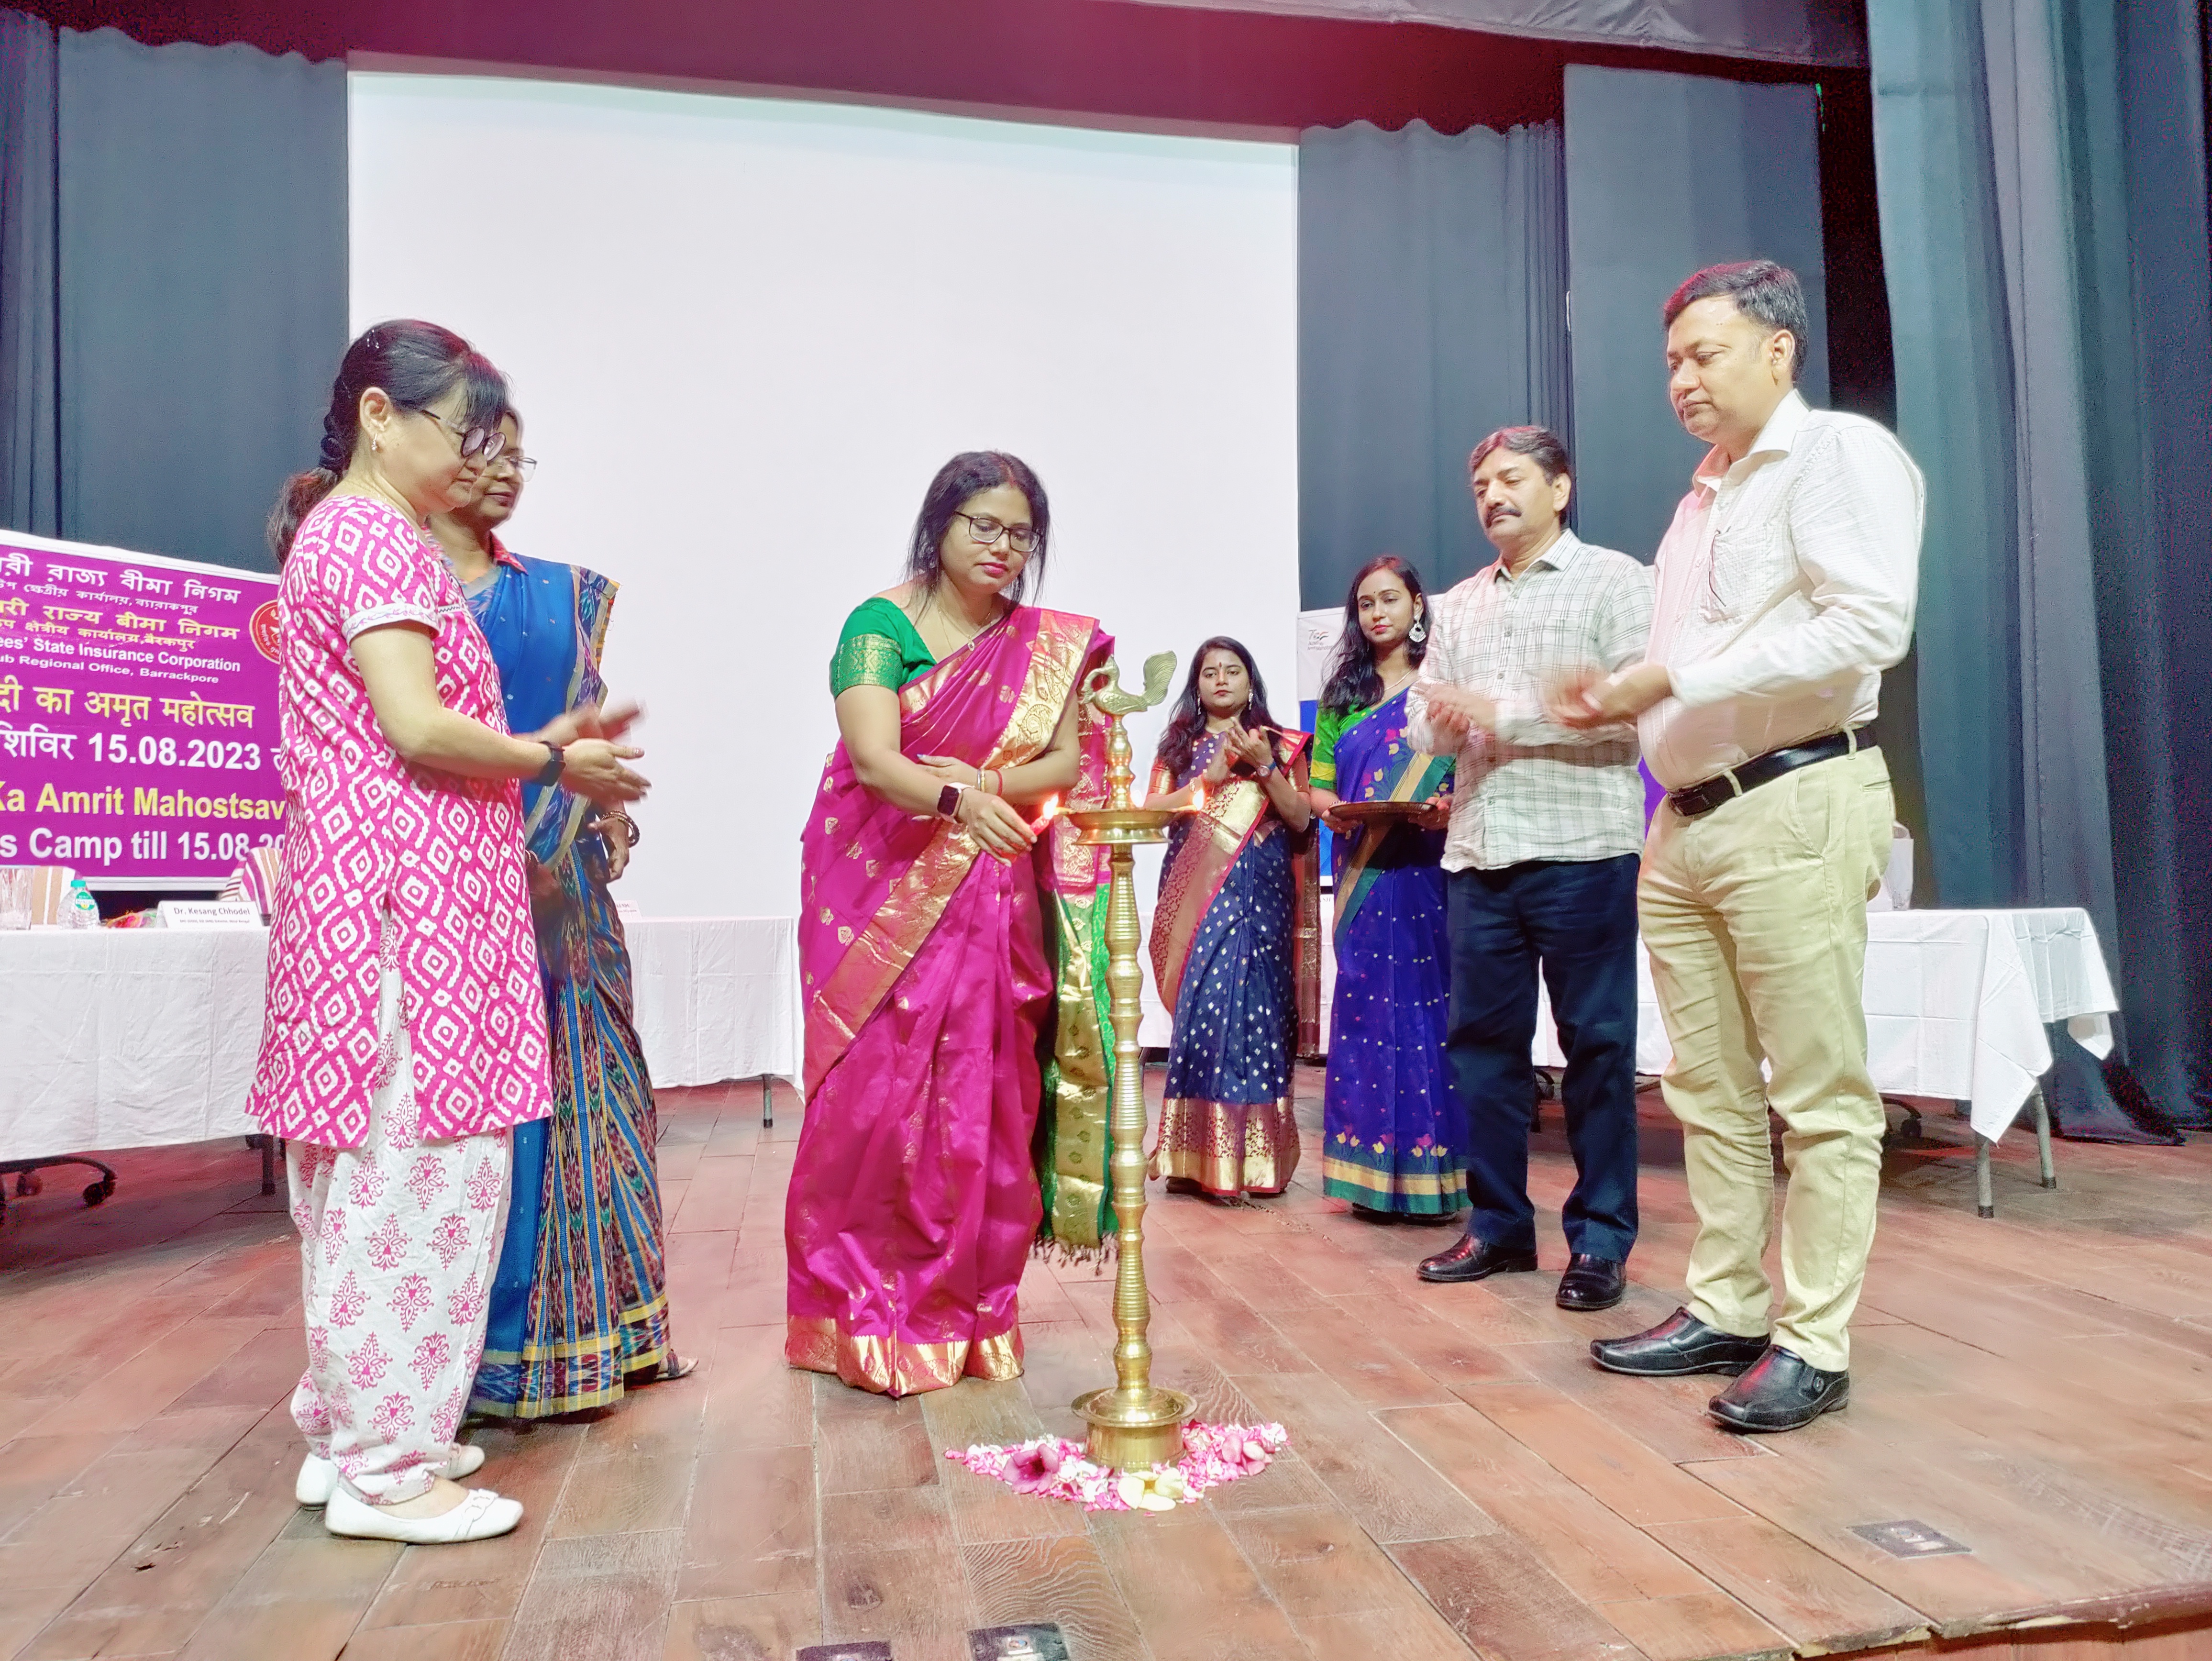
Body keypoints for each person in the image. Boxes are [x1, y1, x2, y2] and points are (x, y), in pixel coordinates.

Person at [252, 321, 647, 1543]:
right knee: (416, 1184)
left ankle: (351, 1434)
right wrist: (552, 760)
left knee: (362, 1184)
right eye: (460, 433)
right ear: (381, 417)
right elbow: (417, 727)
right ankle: (388, 1471)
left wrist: (547, 751)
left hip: (373, 904)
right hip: (408, 913)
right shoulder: (376, 538)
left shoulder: (344, 533)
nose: (478, 459)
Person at [1555, 261, 1922, 1432]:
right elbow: (1689, 658)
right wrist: (1621, 694)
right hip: (1686, 819)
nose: (1680, 379)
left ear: (1777, 350)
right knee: (1705, 1090)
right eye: (1670, 360)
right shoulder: (1699, 497)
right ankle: (1724, 1304)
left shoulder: (1834, 455)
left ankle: (1813, 1339)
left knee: (1816, 1095)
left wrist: (1674, 676)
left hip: (1793, 795)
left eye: (1703, 354)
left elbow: (1870, 621)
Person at [784, 451, 1115, 1396]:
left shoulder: (1044, 646)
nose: (1003, 548)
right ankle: (857, 1314)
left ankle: (970, 1316)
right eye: (984, 526)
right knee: (873, 1103)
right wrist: (959, 800)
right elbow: (873, 758)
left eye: (1020, 534)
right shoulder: (878, 626)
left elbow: (1063, 762)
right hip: (880, 892)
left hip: (992, 895)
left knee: (986, 1096)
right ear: (941, 525)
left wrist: (984, 786)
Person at [424, 413, 691, 1419]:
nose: (504, 472)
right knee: (483, 1124)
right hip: (455, 890)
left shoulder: (558, 592)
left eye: (517, 455)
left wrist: (602, 808)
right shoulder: (397, 590)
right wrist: (519, 833)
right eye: (482, 450)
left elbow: (586, 724)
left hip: (567, 908)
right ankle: (478, 1359)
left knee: (598, 1103)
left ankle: (613, 1334)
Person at [1405, 428, 1654, 1312]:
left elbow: (1634, 711)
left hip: (1583, 849)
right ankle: (1499, 1226)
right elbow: (1425, 716)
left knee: (1597, 1051)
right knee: (1482, 1054)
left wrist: (1498, 711)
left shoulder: (1617, 581)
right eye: (1480, 485)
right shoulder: (1458, 602)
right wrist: (1437, 724)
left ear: (1559, 487)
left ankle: (1600, 1241)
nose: (1491, 497)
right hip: (1480, 852)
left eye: (1510, 479)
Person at [1309, 557, 1463, 1223]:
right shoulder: (1342, 699)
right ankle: (1367, 1178)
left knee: (1430, 1013)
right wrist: (1332, 813)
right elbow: (1319, 787)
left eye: (1390, 599)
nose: (1377, 613)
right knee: (1365, 1013)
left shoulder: (1443, 686)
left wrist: (1447, 808)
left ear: (1417, 606)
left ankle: (1434, 1178)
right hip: (1363, 874)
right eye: (1366, 603)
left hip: (1427, 868)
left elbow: (1466, 772)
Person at [1146, 638, 1316, 1199]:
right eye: (1209, 672)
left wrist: (1265, 767)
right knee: (1206, 1014)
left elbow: (1300, 819)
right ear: (1197, 686)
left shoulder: (1281, 744)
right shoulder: (1178, 747)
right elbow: (1150, 811)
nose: (1221, 679)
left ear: (1250, 682)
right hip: (1201, 898)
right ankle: (1194, 1157)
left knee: (1261, 1016)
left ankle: (1258, 1161)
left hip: (1263, 896)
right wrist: (1208, 780)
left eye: (1233, 670)